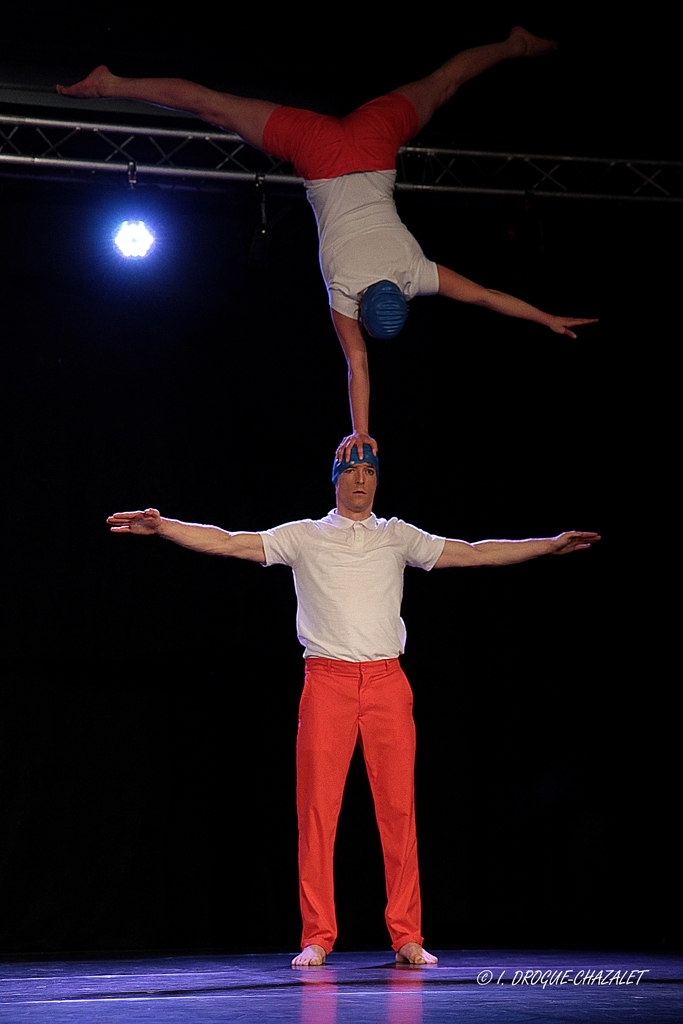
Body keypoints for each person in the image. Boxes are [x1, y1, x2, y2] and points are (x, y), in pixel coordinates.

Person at [106, 444, 600, 966]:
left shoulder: (396, 535)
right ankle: (317, 936)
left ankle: (408, 934)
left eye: (370, 473)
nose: (361, 481)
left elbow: (474, 552)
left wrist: (546, 546)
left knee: (399, 810)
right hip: (328, 683)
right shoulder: (305, 536)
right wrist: (165, 528)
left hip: (388, 683)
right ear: (335, 479)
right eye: (352, 472)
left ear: (378, 481)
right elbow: (231, 543)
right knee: (318, 811)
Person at [59, 29, 597, 462]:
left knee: (445, 81)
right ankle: (110, 84)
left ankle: (514, 45)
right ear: (367, 307)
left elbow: (483, 294)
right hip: (317, 154)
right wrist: (359, 432)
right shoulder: (345, 295)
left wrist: (546, 316)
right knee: (213, 107)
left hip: (374, 138)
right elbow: (356, 367)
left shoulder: (415, 272)